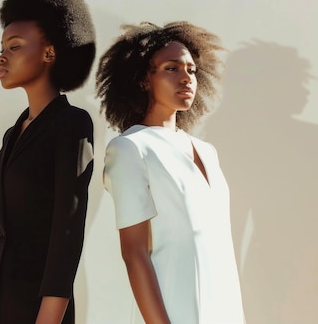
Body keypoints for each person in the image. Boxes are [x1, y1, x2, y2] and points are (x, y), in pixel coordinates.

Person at [97, 22, 245, 323]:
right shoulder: (130, 148)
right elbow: (134, 254)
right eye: (171, 68)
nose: (186, 78)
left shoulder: (207, 152)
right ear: (143, 80)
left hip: (225, 309)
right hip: (172, 311)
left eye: (191, 70)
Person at [0, 0, 95, 324]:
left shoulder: (72, 123)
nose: (2, 56)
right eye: (1, 47)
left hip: (35, 308)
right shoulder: (13, 133)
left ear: (49, 53)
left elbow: (68, 227)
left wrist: (50, 315)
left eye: (15, 46)